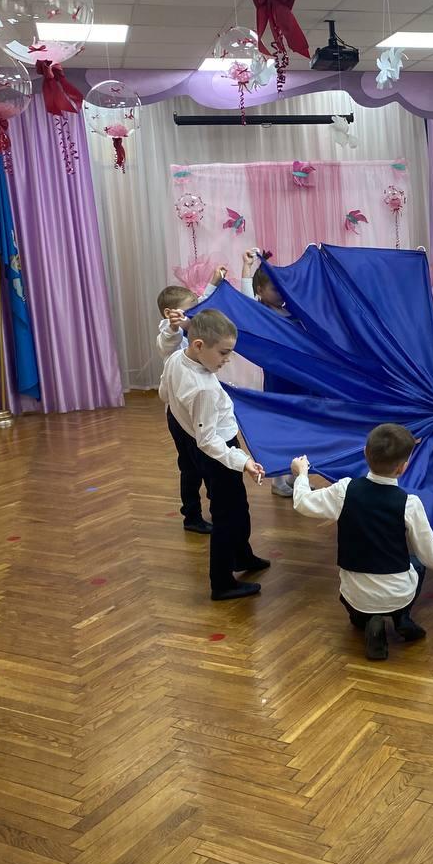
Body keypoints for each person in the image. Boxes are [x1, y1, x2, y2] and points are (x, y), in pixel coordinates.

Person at [290, 423, 433, 660]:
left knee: (357, 601)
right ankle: (401, 616)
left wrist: (302, 474)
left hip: (355, 594)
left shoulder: (345, 490)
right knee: (418, 563)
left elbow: (302, 502)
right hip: (397, 593)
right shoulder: (409, 503)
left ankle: (366, 619)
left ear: (365, 453)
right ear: (403, 467)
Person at [158, 308, 269, 600]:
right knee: (227, 513)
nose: (226, 359)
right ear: (198, 345)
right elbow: (208, 440)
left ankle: (242, 555)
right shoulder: (203, 388)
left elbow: (166, 357)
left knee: (237, 505)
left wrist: (173, 329)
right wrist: (243, 461)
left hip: (197, 437)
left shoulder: (177, 358)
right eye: (223, 353)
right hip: (218, 450)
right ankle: (222, 582)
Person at [157, 267, 228, 534]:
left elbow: (199, 310)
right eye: (187, 312)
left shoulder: (191, 325)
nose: (192, 316)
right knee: (190, 467)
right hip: (179, 415)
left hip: (195, 410)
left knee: (204, 462)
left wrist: (213, 282)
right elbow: (167, 341)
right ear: (169, 314)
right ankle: (192, 515)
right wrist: (174, 326)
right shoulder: (170, 332)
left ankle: (214, 505)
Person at [241, 248, 295, 498]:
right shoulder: (262, 314)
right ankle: (279, 480)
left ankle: (297, 478)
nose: (281, 293)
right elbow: (244, 303)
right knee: (280, 431)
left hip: (302, 381)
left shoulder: (294, 310)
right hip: (278, 381)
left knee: (301, 429)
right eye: (275, 289)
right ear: (260, 290)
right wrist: (247, 267)